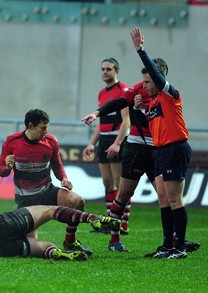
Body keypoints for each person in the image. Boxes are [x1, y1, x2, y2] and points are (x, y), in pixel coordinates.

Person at [82, 68, 200, 254]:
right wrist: (97, 113)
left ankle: (175, 243)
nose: (144, 84)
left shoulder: (166, 95)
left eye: (148, 81)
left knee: (166, 197)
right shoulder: (136, 90)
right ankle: (115, 239)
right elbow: (120, 104)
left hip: (160, 149)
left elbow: (158, 119)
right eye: (144, 81)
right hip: (137, 148)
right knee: (124, 192)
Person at [130, 27, 192, 259]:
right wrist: (138, 110)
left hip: (175, 148)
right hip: (162, 151)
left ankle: (181, 247)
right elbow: (148, 126)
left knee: (175, 199)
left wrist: (140, 51)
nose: (144, 85)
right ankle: (167, 245)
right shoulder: (155, 103)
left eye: (147, 81)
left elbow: (157, 77)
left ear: (158, 78)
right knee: (164, 199)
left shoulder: (170, 95)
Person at [0, 109, 92, 256]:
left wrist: (64, 179)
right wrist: (7, 167)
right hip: (26, 199)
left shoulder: (51, 141)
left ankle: (70, 241)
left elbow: (57, 164)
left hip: (47, 191)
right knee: (31, 243)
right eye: (43, 127)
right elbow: (1, 171)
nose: (46, 131)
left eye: (47, 127)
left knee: (77, 201)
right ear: (30, 126)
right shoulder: (12, 142)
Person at [83, 58, 131, 235]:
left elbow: (126, 120)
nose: (104, 72)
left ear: (116, 71)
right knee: (107, 183)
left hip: (116, 140)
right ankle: (110, 221)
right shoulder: (102, 93)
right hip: (104, 139)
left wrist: (117, 143)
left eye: (108, 69)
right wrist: (91, 144)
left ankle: (122, 223)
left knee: (120, 184)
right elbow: (100, 122)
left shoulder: (123, 91)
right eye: (102, 69)